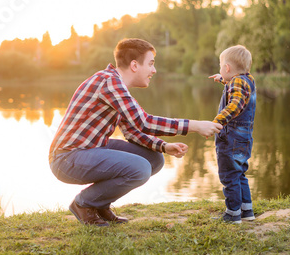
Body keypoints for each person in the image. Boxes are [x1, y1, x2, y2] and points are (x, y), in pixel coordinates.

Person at [49, 38, 222, 226]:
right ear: (134, 65)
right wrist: (194, 125)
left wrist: (163, 146)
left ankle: (99, 204)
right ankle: (83, 204)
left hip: (90, 148)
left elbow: (133, 131)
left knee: (154, 159)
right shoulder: (109, 82)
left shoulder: (115, 84)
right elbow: (144, 122)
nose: (153, 70)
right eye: (151, 64)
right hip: (67, 159)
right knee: (141, 168)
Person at [209, 45, 257, 224]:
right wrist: (223, 80)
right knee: (239, 173)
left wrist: (217, 121)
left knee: (229, 175)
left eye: (221, 67)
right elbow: (239, 90)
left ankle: (233, 213)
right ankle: (246, 210)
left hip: (231, 138)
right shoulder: (248, 80)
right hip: (244, 138)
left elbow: (235, 104)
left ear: (227, 67)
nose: (221, 69)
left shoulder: (237, 83)